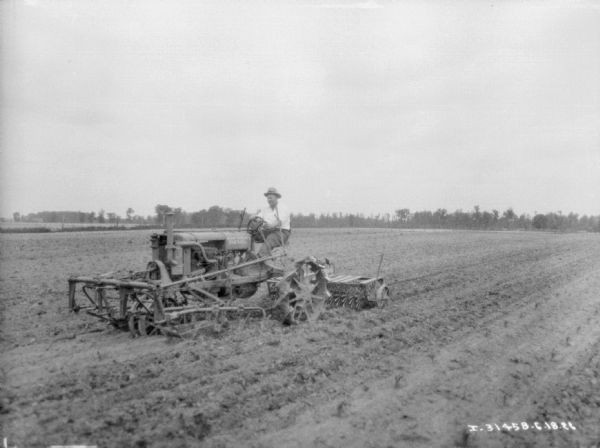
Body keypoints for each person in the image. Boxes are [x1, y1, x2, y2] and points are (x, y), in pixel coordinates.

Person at [255, 187, 291, 257]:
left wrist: (270, 226)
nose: (269, 199)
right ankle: (248, 254)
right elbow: (258, 218)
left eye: (271, 197)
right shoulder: (265, 209)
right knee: (251, 236)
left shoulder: (282, 208)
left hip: (281, 232)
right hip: (268, 231)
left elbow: (279, 222)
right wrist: (255, 219)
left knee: (270, 240)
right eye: (268, 198)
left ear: (276, 198)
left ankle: (263, 258)